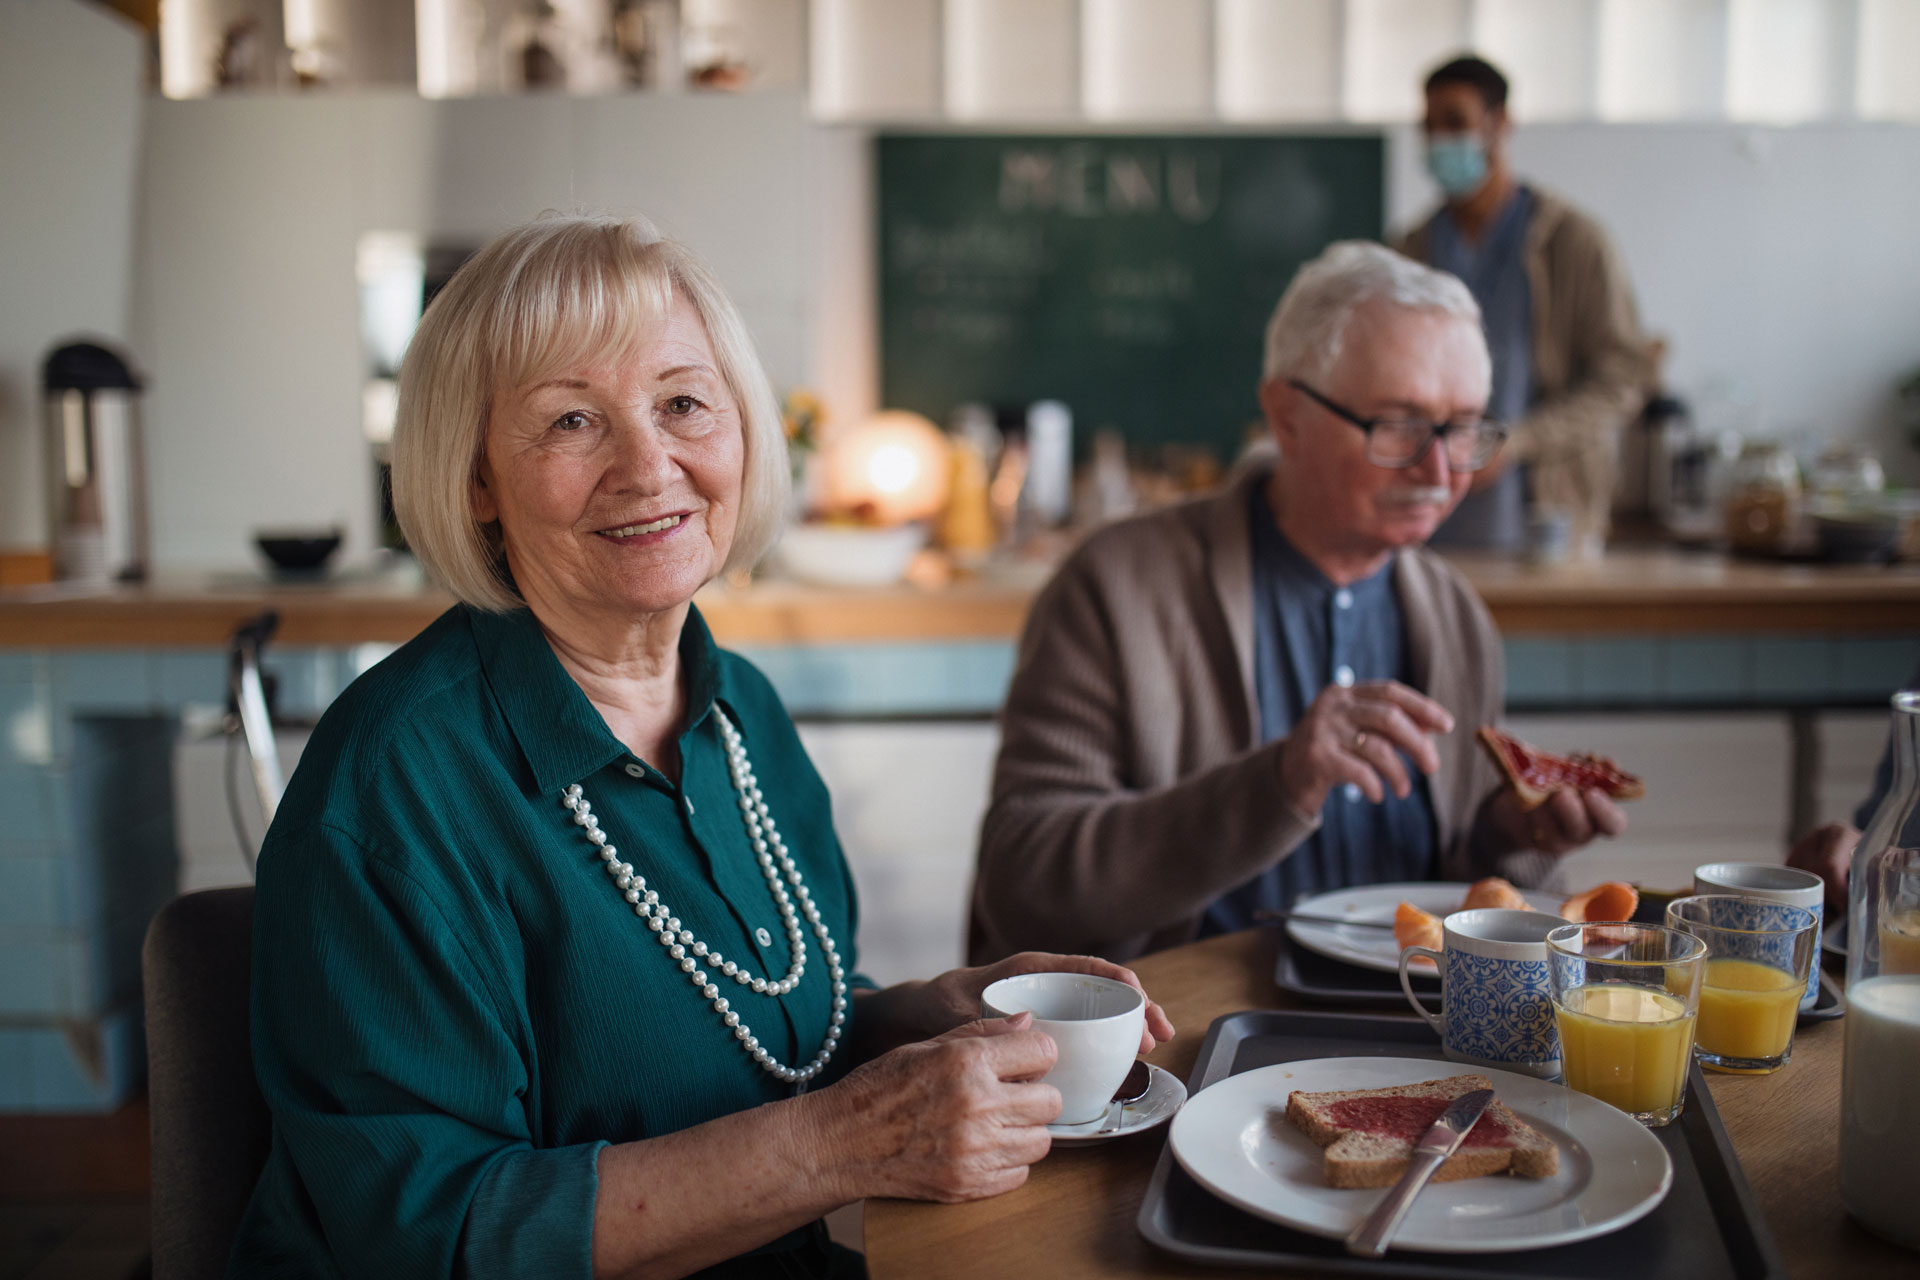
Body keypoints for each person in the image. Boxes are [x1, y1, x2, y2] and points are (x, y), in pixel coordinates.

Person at [228, 214, 1173, 1279]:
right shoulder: (394, 785)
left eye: (683, 403)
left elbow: (754, 1030)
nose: (649, 463)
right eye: (572, 420)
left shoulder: (740, 712)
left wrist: (920, 1018)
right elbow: (427, 1234)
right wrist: (844, 1139)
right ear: (478, 476)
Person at [969, 242, 1629, 964]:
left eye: (1464, 429)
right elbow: (1022, 883)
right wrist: (1278, 785)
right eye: (1399, 427)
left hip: (1412, 1032)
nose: (1440, 470)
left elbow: (1447, 907)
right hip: (1185, 1038)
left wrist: (1510, 839)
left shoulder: (1456, 616)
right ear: (1287, 416)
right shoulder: (1116, 587)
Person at [1397, 54, 1649, 555]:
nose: (1440, 142)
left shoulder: (1573, 243)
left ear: (1501, 124)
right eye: (1429, 127)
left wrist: (1519, 443)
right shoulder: (1410, 251)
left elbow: (1623, 378)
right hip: (1427, 525)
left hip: (1545, 525)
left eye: (1456, 122)